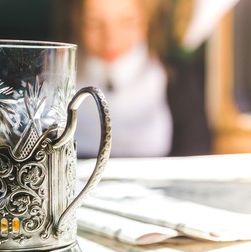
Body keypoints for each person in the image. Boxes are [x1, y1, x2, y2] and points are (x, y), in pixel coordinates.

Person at [55, 0, 239, 158]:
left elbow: (196, 156)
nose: (111, 38)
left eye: (127, 22)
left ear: (146, 19)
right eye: (94, 23)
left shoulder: (178, 81)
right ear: (76, 19)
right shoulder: (51, 81)